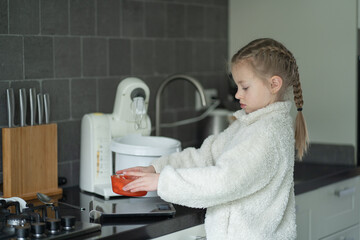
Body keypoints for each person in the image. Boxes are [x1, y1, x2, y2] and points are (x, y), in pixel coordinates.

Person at [119, 38, 309, 240]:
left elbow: (225, 181)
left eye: (244, 87)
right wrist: (157, 169)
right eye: (237, 86)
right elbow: (207, 155)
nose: (237, 95)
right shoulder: (250, 125)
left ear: (274, 84)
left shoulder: (267, 134)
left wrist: (163, 182)